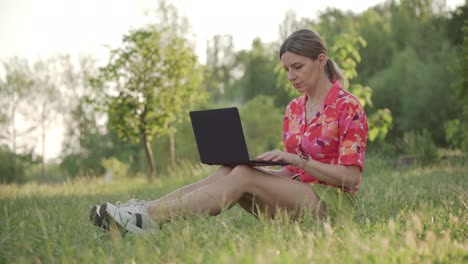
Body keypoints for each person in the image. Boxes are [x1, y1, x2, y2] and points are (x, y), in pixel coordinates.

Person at [89, 28, 369, 234]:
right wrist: (267, 169)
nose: (291, 76)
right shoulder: (294, 109)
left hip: (331, 204)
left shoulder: (347, 106)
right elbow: (293, 174)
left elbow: (351, 177)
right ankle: (142, 211)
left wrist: (297, 160)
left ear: (321, 61)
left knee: (244, 175)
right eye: (286, 69)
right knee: (232, 171)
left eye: (298, 67)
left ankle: (146, 220)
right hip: (295, 196)